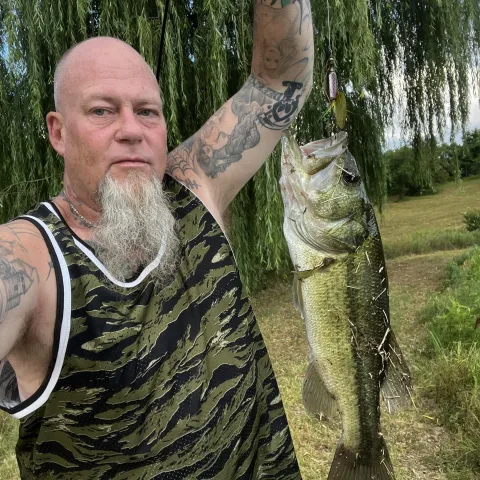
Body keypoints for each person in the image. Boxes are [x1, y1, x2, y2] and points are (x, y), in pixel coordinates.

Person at [0, 1, 313, 478]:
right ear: (58, 132)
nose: (131, 130)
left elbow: (280, 81)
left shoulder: (195, 189)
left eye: (147, 111)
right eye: (102, 110)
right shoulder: (29, 256)